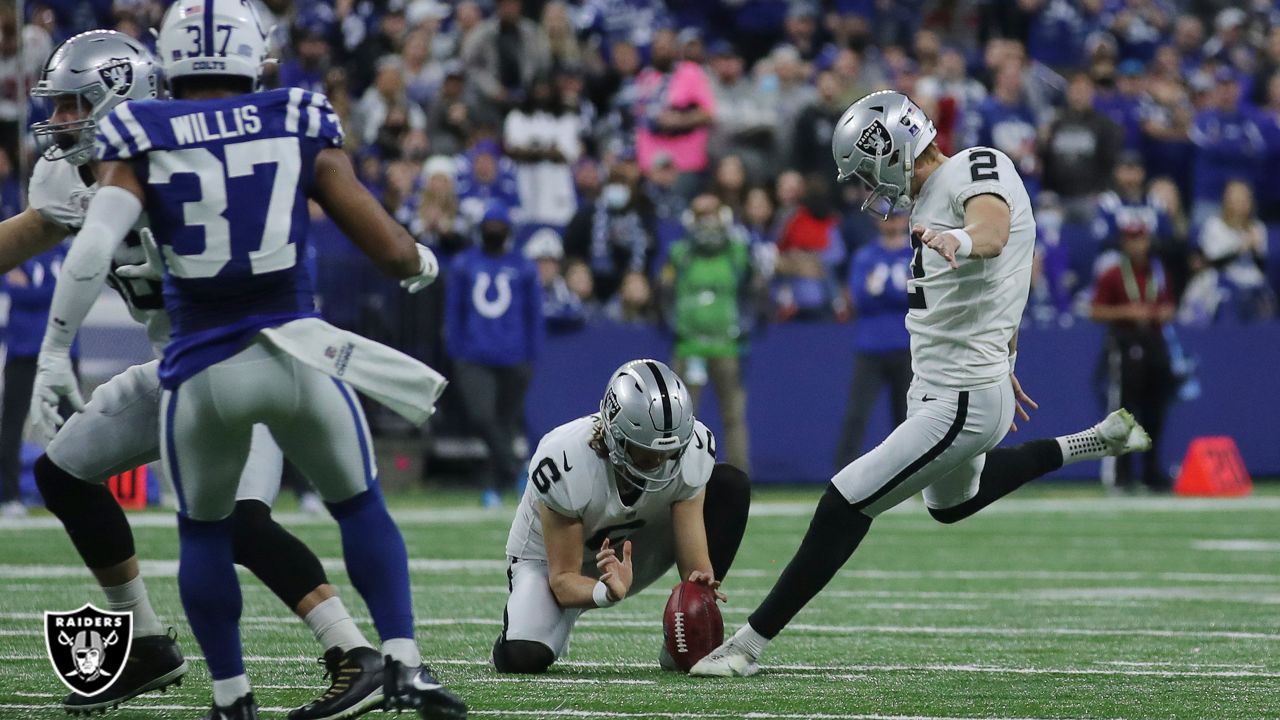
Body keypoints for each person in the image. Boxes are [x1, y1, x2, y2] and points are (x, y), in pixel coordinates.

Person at [32, 5, 465, 718]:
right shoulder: (294, 113)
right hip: (293, 346)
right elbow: (386, 245)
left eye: (79, 102)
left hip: (197, 368)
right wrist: (415, 257)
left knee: (212, 525)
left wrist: (54, 351)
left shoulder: (141, 139)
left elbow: (88, 250)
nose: (66, 117)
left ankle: (242, 694)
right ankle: (401, 661)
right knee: (358, 504)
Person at [691, 91, 1152, 678]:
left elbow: (992, 230)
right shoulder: (925, 200)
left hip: (960, 396)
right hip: (945, 382)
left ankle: (748, 645)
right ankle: (1090, 440)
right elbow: (992, 291)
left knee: (844, 500)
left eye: (865, 171)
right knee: (952, 505)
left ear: (889, 151)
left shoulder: (973, 167)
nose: (864, 188)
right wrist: (1003, 356)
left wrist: (961, 242)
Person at [492, 359, 751, 674]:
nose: (658, 462)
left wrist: (697, 595)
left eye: (669, 453)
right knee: (524, 655)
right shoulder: (565, 459)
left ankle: (683, 643)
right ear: (614, 435)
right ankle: (536, 625)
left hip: (632, 546)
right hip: (552, 562)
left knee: (729, 486)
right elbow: (562, 581)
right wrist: (604, 592)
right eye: (645, 452)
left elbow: (695, 562)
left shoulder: (693, 446)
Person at [445, 201, 543, 508]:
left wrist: (531, 355)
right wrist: (457, 350)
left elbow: (533, 314)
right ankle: (518, 473)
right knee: (483, 417)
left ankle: (494, 487)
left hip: (514, 356)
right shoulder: (464, 263)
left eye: (499, 228)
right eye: (490, 227)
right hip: (474, 356)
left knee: (503, 423)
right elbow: (453, 310)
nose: (494, 233)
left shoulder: (523, 266)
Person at [659, 194, 755, 473]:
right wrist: (675, 326)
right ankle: (675, 475)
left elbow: (753, 292)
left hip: (728, 347)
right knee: (681, 417)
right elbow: (664, 293)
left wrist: (744, 327)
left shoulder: (737, 251)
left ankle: (740, 476)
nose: (707, 221)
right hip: (688, 348)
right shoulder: (679, 253)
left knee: (734, 416)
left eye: (712, 213)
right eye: (701, 214)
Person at [1091, 223, 1176, 493]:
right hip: (1126, 342)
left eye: (1141, 239)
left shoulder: (1158, 272)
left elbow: (1170, 303)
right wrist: (1127, 312)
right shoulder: (1114, 274)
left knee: (1155, 409)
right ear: (1123, 243)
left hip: (1154, 340)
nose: (1137, 245)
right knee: (1126, 407)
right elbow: (1095, 311)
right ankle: (1122, 473)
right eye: (1131, 239)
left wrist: (1163, 313)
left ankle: (1151, 470)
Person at [1, 243, 76, 518]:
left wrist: (32, 292)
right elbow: (13, 292)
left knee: (72, 425)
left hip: (63, 352)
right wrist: (52, 295)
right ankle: (9, 495)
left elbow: (77, 293)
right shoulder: (18, 248)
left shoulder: (67, 251)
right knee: (12, 424)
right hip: (23, 351)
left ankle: (75, 492)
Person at [833, 212, 913, 469]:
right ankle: (842, 473)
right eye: (888, 217)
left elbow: (922, 298)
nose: (892, 222)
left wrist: (882, 290)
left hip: (907, 345)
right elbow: (860, 298)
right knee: (857, 415)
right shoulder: (865, 256)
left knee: (908, 418)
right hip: (871, 346)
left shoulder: (914, 254)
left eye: (897, 217)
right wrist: (898, 291)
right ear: (878, 221)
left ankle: (910, 473)